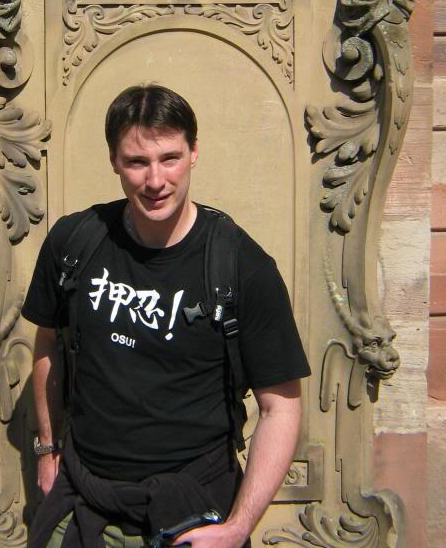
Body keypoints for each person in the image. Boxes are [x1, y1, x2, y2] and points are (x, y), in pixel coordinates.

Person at [22, 84, 310, 548]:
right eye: (137, 162)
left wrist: (237, 528)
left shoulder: (242, 266)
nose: (155, 181)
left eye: (170, 158)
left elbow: (281, 407)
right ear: (114, 161)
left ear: (194, 152)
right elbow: (48, 345)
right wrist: (46, 449)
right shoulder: (75, 242)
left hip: (190, 512)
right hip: (84, 499)